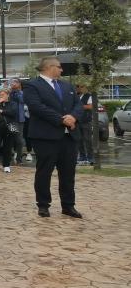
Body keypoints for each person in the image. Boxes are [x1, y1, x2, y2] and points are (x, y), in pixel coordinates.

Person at [23, 57, 83, 219]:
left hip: (69, 137)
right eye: (59, 67)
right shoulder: (32, 85)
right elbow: (37, 107)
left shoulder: (67, 85)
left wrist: (73, 117)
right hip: (45, 137)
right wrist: (61, 119)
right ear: (49, 67)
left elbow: (78, 105)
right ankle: (43, 205)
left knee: (68, 173)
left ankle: (68, 205)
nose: (62, 70)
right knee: (44, 172)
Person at [9, 79, 27, 164]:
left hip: (19, 120)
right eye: (12, 82)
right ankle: (9, 156)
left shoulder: (22, 93)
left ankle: (18, 158)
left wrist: (17, 91)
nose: (13, 84)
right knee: (11, 138)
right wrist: (11, 91)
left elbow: (22, 100)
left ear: (19, 84)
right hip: (11, 120)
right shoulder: (9, 92)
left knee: (19, 140)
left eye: (15, 82)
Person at [76, 84, 94, 166]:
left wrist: (79, 106)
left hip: (86, 121)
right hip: (77, 121)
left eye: (81, 86)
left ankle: (90, 157)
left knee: (87, 140)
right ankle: (82, 156)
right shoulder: (76, 96)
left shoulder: (88, 96)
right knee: (79, 140)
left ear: (85, 87)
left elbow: (90, 106)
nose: (79, 88)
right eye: (77, 86)